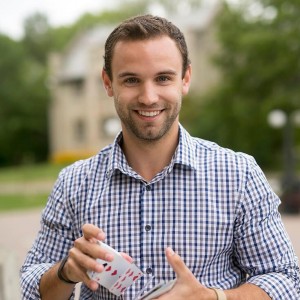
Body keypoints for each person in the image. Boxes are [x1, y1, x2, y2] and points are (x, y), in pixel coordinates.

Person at [20, 14, 300, 300]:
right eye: (131, 80)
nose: (149, 96)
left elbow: (286, 280)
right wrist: (66, 271)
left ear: (185, 79)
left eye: (163, 78)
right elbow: (32, 290)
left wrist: (214, 297)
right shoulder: (73, 183)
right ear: (108, 83)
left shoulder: (239, 175)